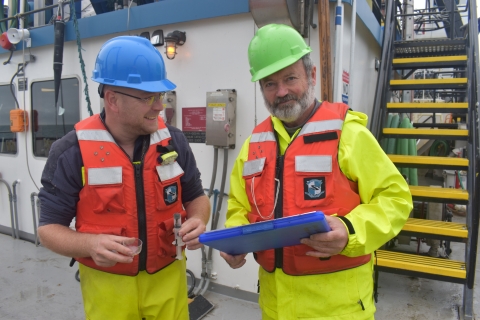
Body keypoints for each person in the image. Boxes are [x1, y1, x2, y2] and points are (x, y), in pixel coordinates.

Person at [220, 24, 413, 320]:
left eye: (290, 78)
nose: (281, 92)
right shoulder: (253, 144)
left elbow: (395, 199)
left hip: (338, 310)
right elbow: (239, 206)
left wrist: (350, 231)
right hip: (275, 307)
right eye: (270, 84)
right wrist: (236, 240)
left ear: (310, 75)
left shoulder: (347, 133)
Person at [37, 36, 210, 320]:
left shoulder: (174, 142)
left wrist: (198, 220)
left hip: (169, 284)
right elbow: (48, 228)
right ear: (113, 100)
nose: (159, 107)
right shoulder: (71, 152)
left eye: (160, 96)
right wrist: (89, 245)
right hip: (108, 292)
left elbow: (196, 197)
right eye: (148, 98)